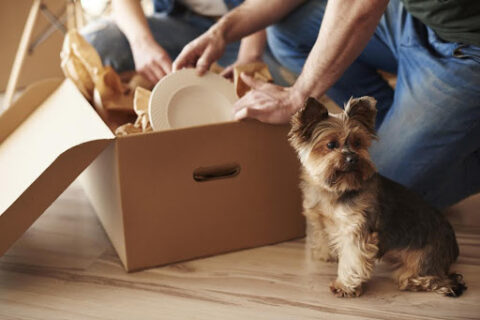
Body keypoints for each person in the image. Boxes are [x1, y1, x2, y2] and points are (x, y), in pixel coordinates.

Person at [173, 0, 480, 209]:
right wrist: (222, 32)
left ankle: (445, 143)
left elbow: (358, 6)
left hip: (470, 49)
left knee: (366, 195)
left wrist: (298, 94)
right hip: (412, 19)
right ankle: (398, 129)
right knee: (287, 30)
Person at [82, 0, 286, 84]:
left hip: (256, 27)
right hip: (186, 23)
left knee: (269, 86)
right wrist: (142, 44)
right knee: (95, 42)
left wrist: (248, 59)